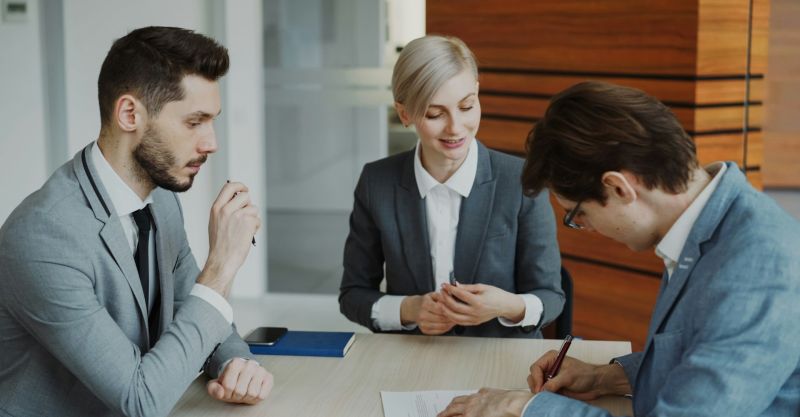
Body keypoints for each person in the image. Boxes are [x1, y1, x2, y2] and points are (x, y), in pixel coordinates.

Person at [438, 81, 800, 417]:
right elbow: (700, 353)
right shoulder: (711, 223)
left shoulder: (761, 267)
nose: (586, 228)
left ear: (620, 188)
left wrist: (526, 407)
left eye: (578, 215)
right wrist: (605, 377)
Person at [0, 27, 273, 417]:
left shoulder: (160, 202)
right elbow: (139, 398)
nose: (211, 142)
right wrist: (220, 268)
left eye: (212, 121)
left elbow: (190, 309)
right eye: (194, 122)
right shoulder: (43, 238)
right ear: (130, 114)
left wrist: (235, 363)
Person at [338, 35, 563, 338]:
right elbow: (353, 295)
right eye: (435, 113)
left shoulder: (521, 181)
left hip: (500, 357)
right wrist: (410, 309)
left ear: (477, 95)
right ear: (405, 113)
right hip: (413, 359)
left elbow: (551, 296)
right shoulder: (376, 183)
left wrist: (506, 306)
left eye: (467, 106)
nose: (455, 127)